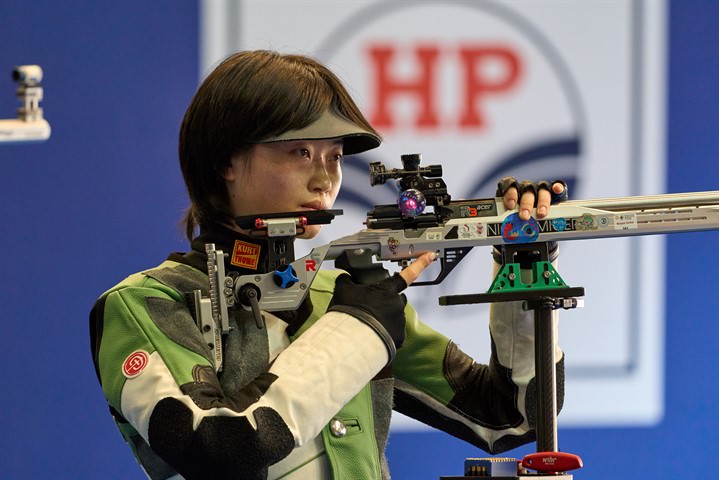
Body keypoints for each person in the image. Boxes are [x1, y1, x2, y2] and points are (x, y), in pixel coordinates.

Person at [90, 50, 567, 480]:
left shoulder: (338, 295)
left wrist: (524, 264)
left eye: (334, 156)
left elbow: (510, 417)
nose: (325, 178)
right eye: (300, 152)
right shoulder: (144, 304)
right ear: (226, 163)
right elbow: (216, 446)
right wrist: (358, 327)